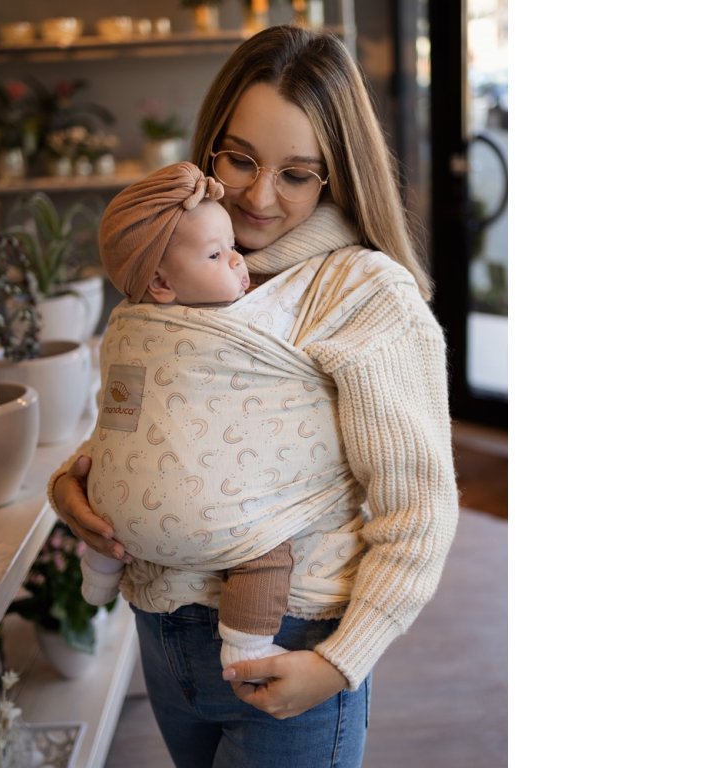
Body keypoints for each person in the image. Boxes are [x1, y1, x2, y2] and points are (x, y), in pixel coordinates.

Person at [48, 25, 459, 768]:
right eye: (239, 159)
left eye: (297, 174)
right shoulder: (174, 270)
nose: (259, 196)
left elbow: (419, 506)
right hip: (160, 630)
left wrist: (339, 663)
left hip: (291, 642)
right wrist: (76, 485)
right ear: (209, 150)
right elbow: (162, 425)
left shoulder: (365, 295)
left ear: (337, 176)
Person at [78, 160, 299, 673]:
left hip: (111, 517)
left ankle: (99, 573)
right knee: (267, 541)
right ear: (160, 282)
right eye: (216, 254)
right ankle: (245, 645)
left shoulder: (123, 325)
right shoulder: (241, 322)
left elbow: (118, 414)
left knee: (110, 472)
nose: (238, 260)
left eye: (233, 247)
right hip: (203, 516)